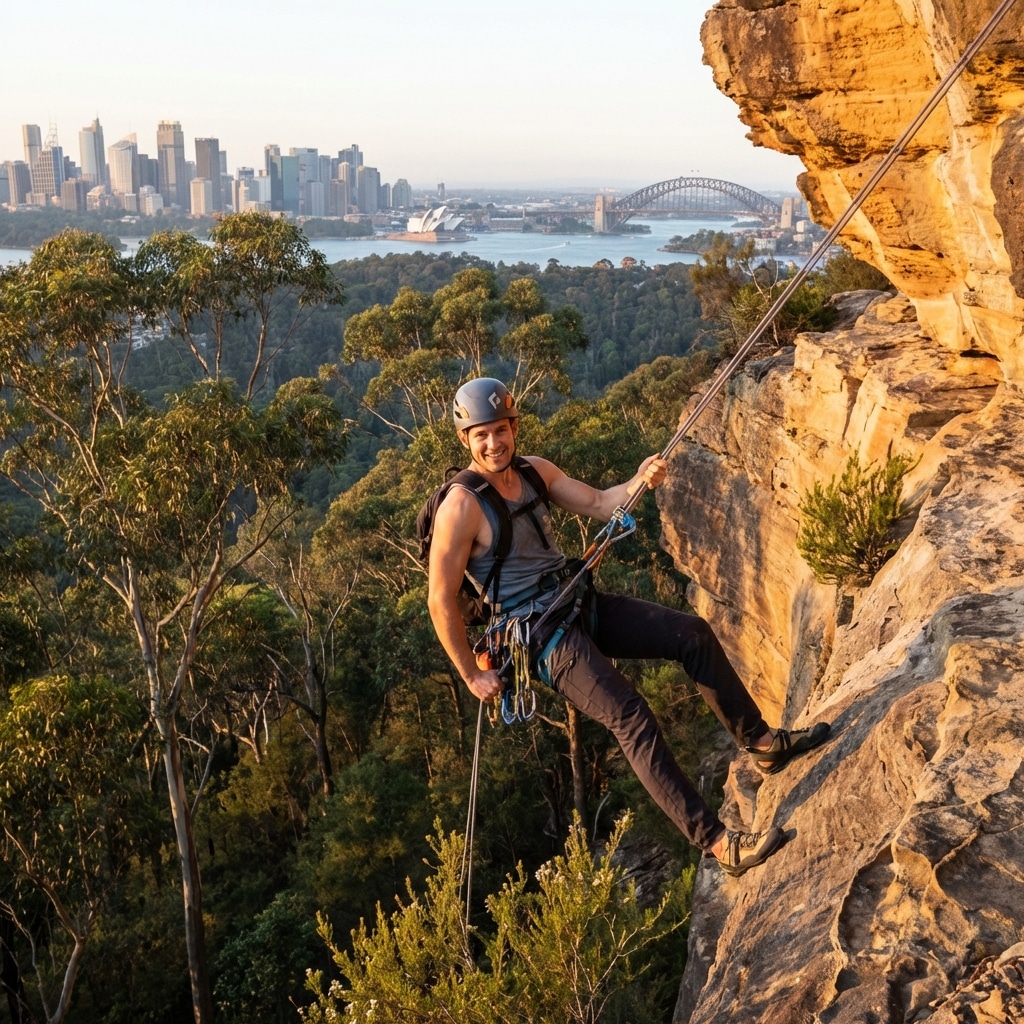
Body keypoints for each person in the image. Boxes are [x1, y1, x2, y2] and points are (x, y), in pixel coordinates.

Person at [427, 378, 829, 876]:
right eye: (482, 435)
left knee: (692, 635)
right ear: (466, 439)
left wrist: (641, 479)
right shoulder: (461, 507)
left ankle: (763, 745)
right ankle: (722, 845)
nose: (494, 443)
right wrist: (470, 674)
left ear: (514, 427)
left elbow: (599, 502)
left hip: (576, 601)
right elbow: (440, 600)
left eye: (501, 430)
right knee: (631, 716)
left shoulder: (535, 472)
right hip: (540, 637)